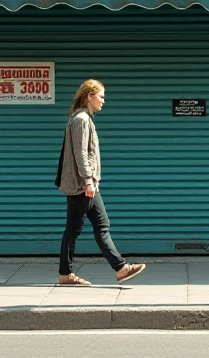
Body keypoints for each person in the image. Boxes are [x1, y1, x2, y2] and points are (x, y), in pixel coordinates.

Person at [56, 79, 146, 286]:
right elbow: (81, 154)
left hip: (84, 184)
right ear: (89, 96)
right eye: (101, 96)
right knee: (85, 228)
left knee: (89, 227)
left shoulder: (83, 118)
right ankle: (117, 268)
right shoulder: (81, 119)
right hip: (82, 185)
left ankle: (116, 269)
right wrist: (88, 180)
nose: (103, 101)